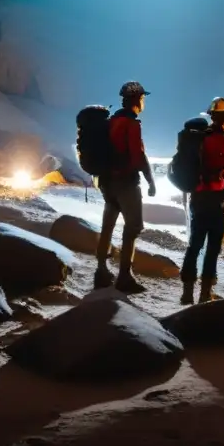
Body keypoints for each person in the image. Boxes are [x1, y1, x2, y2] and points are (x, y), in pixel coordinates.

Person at [180, 97, 224, 305]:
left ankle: (187, 291)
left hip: (198, 199)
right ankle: (205, 292)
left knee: (195, 244)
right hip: (218, 202)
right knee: (212, 247)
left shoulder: (199, 139)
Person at [95, 81, 156, 294]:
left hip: (107, 183)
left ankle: (101, 271)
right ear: (137, 99)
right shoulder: (132, 123)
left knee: (108, 225)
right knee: (133, 228)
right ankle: (124, 276)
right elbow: (138, 156)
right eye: (142, 98)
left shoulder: (111, 121)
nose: (143, 101)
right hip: (126, 183)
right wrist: (150, 181)